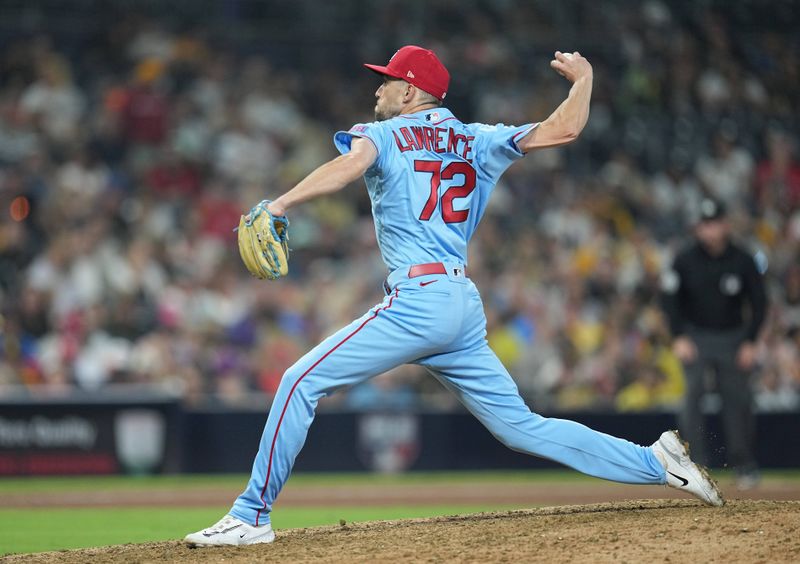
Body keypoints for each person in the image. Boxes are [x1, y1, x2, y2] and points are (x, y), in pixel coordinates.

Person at [185, 45, 723, 547]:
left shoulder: (386, 135)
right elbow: (565, 130)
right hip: (460, 303)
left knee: (299, 381)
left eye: (391, 80)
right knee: (521, 428)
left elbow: (349, 164)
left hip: (420, 298)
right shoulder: (478, 138)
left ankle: (252, 515)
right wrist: (584, 80)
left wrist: (280, 204)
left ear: (412, 92)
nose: (380, 89)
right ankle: (656, 462)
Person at [661, 197, 767, 490]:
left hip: (733, 337)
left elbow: (759, 303)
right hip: (695, 336)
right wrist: (679, 335)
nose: (709, 230)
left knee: (738, 401)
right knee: (691, 399)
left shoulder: (743, 260)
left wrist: (750, 341)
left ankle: (744, 464)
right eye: (704, 224)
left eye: (714, 224)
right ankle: (695, 465)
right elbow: (669, 301)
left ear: (725, 225)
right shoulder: (683, 259)